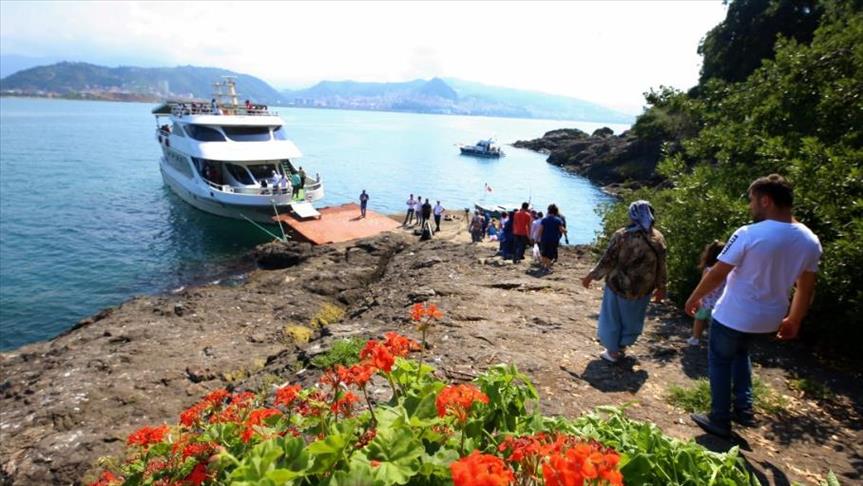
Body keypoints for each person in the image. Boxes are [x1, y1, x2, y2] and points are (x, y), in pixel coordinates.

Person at [686, 174, 821, 438]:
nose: (751, 206)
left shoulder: (748, 233)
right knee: (741, 354)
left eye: (752, 200)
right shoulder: (810, 240)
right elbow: (805, 288)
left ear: (766, 200)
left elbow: (718, 273)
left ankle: (719, 419)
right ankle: (744, 409)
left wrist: (694, 297)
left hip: (733, 315)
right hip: (769, 319)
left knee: (720, 361)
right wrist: (794, 320)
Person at [581, 200, 666, 363]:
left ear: (632, 215)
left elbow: (608, 259)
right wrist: (661, 287)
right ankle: (622, 346)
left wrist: (591, 276)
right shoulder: (658, 238)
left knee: (612, 317)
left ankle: (612, 352)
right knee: (633, 318)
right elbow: (661, 265)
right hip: (643, 287)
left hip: (618, 284)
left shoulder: (623, 235)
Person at [688, 240, 726, 346]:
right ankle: (714, 341)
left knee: (699, 319)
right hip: (719, 301)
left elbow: (702, 285)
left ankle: (695, 338)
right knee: (714, 323)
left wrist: (696, 298)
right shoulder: (727, 271)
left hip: (705, 300)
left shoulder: (708, 270)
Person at [535, 205, 566, 271]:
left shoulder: (544, 219)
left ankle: (543, 266)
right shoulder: (558, 220)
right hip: (553, 240)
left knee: (544, 253)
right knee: (550, 254)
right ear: (556, 211)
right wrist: (565, 230)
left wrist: (536, 238)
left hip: (544, 239)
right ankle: (548, 267)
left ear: (548, 211)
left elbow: (540, 230)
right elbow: (561, 230)